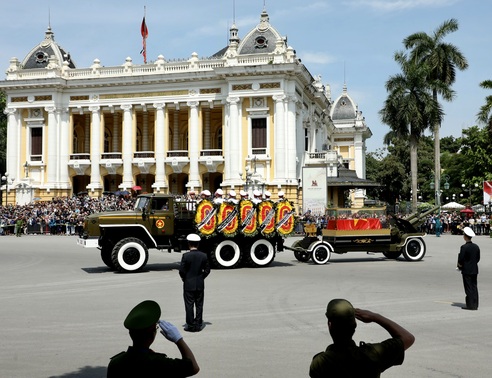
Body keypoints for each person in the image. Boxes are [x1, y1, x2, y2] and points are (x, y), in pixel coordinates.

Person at [309, 298, 415, 377]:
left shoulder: (320, 363)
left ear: (330, 324)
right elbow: (408, 338)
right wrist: (375, 317)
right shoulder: (373, 354)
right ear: (355, 324)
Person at [107, 300, 200, 377]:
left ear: (130, 333)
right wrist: (178, 339)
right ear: (152, 335)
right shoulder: (160, 363)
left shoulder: (115, 363)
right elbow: (194, 368)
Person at [179, 234, 211, 332]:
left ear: (189, 244)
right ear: (198, 244)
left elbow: (181, 271)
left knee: (189, 305)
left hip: (188, 285)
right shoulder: (203, 255)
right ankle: (198, 324)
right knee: (199, 305)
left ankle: (191, 325)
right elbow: (207, 270)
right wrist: (201, 277)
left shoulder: (186, 256)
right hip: (200, 284)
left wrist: (186, 278)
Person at [457, 226, 480, 310]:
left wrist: (460, 266)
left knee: (468, 288)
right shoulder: (476, 246)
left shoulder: (464, 247)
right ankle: (475, 304)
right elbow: (478, 258)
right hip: (474, 269)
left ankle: (470, 305)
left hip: (466, 270)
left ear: (465, 236)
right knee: (474, 287)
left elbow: (461, 259)